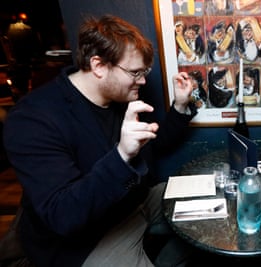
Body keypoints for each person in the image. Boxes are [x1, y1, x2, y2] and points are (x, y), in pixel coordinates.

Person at [3, 15, 197, 267]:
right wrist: (122, 155)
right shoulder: (33, 119)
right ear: (98, 65)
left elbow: (155, 145)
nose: (143, 80)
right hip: (85, 241)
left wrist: (180, 106)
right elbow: (63, 215)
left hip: (132, 204)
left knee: (202, 196)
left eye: (144, 71)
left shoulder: (119, 98)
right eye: (135, 72)